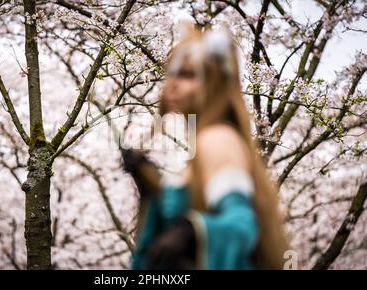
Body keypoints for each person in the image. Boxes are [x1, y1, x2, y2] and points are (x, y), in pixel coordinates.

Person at [122, 24, 289, 270]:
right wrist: (152, 186)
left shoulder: (217, 137)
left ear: (214, 83)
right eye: (173, 73)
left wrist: (192, 230)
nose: (174, 83)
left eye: (188, 75)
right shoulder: (204, 141)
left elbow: (241, 222)